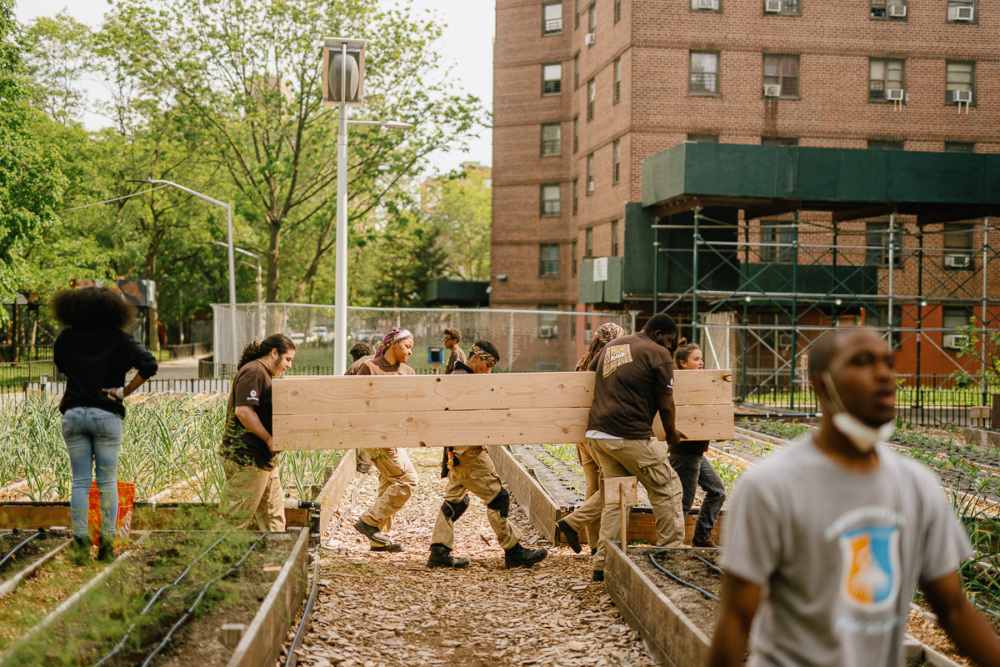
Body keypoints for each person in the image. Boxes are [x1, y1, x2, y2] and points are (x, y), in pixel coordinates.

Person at [707, 328, 1000, 667]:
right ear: (821, 383)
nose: (883, 375)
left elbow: (954, 610)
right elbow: (736, 620)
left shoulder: (917, 485)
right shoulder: (771, 486)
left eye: (887, 363)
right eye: (861, 362)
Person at [52, 287, 157, 563]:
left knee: (80, 482)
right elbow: (148, 364)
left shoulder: (66, 338)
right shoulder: (120, 339)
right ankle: (107, 548)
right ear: (114, 311)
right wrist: (124, 391)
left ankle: (79, 548)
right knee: (107, 481)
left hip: (74, 414)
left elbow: (61, 366)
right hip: (106, 415)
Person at [428, 341, 548, 570]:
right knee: (497, 497)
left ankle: (439, 552)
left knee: (454, 502)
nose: (489, 371)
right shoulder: (464, 380)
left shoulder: (460, 377)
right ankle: (514, 551)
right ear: (476, 358)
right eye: (488, 364)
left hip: (459, 452)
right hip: (468, 452)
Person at [585, 313, 687, 582]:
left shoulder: (613, 345)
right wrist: (671, 433)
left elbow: (590, 371)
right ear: (658, 335)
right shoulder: (658, 353)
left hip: (598, 435)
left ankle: (602, 564)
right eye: (669, 341)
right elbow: (667, 402)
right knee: (668, 488)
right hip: (629, 435)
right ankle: (671, 557)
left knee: (619, 498)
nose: (670, 348)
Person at [556, 322, 626, 556]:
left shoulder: (583, 362)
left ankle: (595, 546)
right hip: (600, 431)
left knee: (593, 487)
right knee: (616, 483)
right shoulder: (613, 362)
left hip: (580, 433)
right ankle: (574, 523)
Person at [218, 334, 296, 532]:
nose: (289, 365)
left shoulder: (264, 373)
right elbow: (243, 411)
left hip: (262, 460)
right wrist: (269, 438)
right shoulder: (254, 371)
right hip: (247, 459)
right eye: (288, 359)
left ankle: (277, 559)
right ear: (274, 353)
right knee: (235, 520)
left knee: (273, 517)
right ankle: (217, 559)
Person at [353, 328, 419, 552]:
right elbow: (358, 402)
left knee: (389, 482)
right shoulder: (369, 367)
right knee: (408, 479)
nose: (410, 352)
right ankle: (369, 521)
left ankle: (380, 538)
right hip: (375, 436)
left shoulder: (408, 372)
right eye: (407, 346)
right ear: (393, 344)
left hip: (396, 435)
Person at [667, 342, 725, 548]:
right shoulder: (679, 386)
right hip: (684, 452)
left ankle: (701, 537)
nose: (701, 363)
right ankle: (671, 545)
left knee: (717, 491)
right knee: (683, 502)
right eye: (696, 359)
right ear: (683, 363)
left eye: (702, 359)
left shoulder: (699, 385)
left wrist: (718, 429)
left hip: (696, 452)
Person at [346, 341, 374, 473]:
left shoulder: (355, 366)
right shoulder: (377, 360)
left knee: (362, 434)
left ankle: (363, 466)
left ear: (355, 356)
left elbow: (344, 385)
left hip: (361, 404)